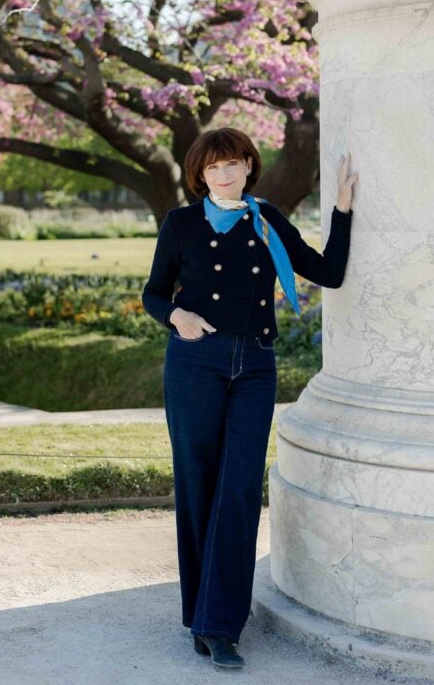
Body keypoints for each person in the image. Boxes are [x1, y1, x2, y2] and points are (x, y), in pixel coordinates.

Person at [141, 127, 357, 670]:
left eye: (233, 163)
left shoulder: (267, 220)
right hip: (195, 363)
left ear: (248, 166)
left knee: (238, 489)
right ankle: (203, 615)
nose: (225, 174)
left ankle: (220, 625)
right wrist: (176, 315)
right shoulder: (182, 224)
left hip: (255, 366)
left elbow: (327, 271)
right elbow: (153, 292)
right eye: (213, 167)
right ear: (200, 174)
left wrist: (344, 210)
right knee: (198, 484)